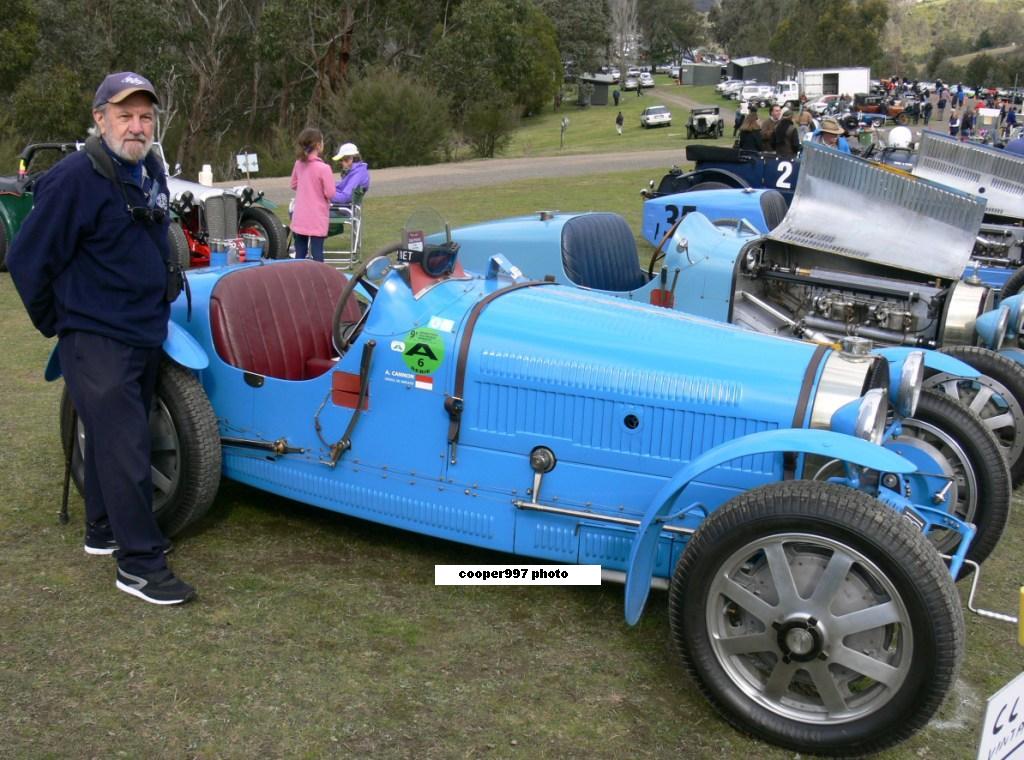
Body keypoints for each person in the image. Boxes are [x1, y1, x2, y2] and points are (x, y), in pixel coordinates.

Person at [6, 72, 194, 605]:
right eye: (124, 115)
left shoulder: (149, 167)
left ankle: (103, 530)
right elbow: (26, 260)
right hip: (96, 338)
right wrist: (62, 323)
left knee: (113, 437)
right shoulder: (71, 180)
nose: (136, 127)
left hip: (144, 331)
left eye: (145, 117)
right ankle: (138, 566)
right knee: (127, 447)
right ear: (99, 119)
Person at [289, 127, 335, 262]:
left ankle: (298, 279)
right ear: (318, 145)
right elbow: (330, 192)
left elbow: (293, 184)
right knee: (317, 253)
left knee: (300, 253)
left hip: (300, 216)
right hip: (317, 217)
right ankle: (318, 280)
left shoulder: (298, 164)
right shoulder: (324, 168)